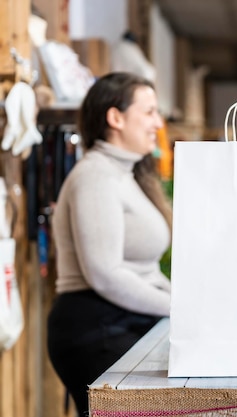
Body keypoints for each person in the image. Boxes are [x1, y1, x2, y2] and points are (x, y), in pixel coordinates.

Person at [47, 72, 172, 416]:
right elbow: (105, 274)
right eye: (148, 112)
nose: (157, 123)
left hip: (120, 321)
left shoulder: (123, 175)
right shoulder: (96, 175)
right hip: (97, 328)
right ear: (115, 117)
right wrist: (178, 306)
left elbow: (141, 271)